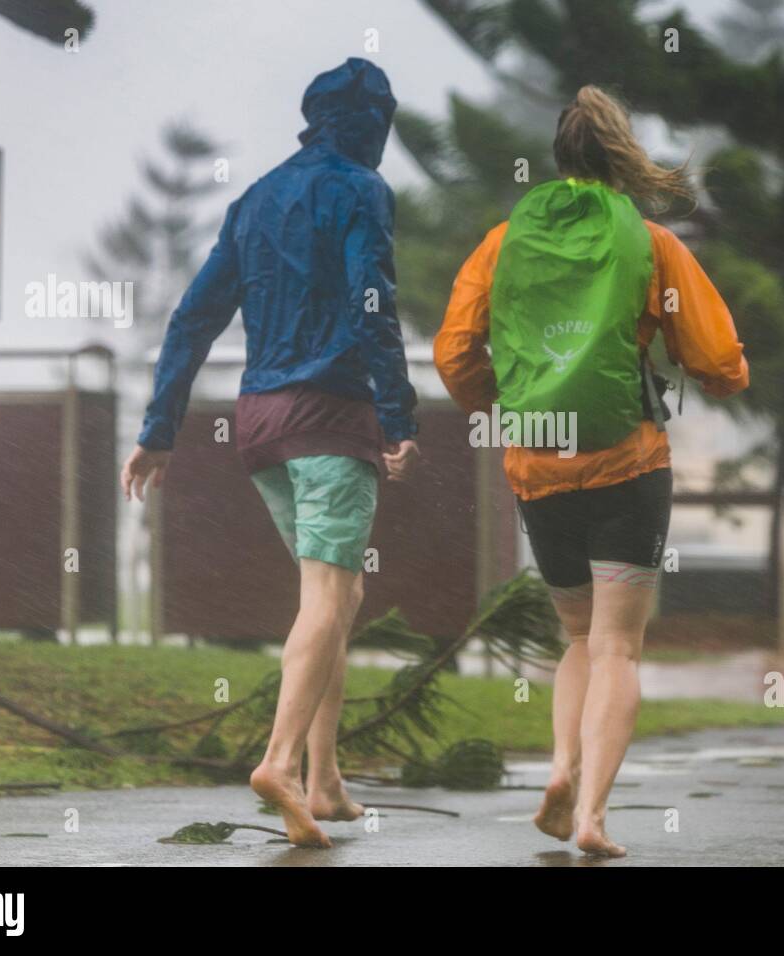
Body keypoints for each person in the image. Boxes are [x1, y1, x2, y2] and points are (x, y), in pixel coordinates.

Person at [434, 85, 749, 857]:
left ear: (557, 156)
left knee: (575, 636)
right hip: (627, 461)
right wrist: (727, 378)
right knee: (618, 646)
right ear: (619, 157)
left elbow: (453, 351)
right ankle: (591, 816)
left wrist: (497, 401)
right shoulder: (650, 242)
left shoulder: (502, 241)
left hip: (538, 464)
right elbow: (713, 356)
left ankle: (561, 766)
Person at [120, 57, 419, 848]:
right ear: (371, 125)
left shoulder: (256, 199)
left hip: (260, 425)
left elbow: (193, 317)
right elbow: (371, 303)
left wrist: (159, 429)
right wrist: (398, 414)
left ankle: (324, 779)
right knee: (327, 598)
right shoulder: (361, 190)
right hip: (330, 417)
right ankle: (279, 764)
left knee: (335, 600)